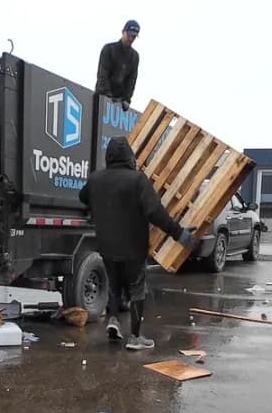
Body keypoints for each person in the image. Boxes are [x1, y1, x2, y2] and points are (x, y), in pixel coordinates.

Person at [79, 137, 195, 350]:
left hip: (106, 246)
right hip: (133, 248)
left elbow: (82, 196)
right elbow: (155, 212)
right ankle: (135, 337)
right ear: (129, 157)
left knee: (114, 287)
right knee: (136, 290)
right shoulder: (137, 180)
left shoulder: (96, 179)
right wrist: (178, 233)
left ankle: (113, 321)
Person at [95, 20, 141, 112]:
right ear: (123, 32)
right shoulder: (109, 49)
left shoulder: (134, 56)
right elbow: (103, 74)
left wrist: (127, 99)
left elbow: (131, 80)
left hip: (120, 102)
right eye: (129, 35)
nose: (131, 39)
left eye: (134, 36)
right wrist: (107, 96)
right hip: (102, 97)